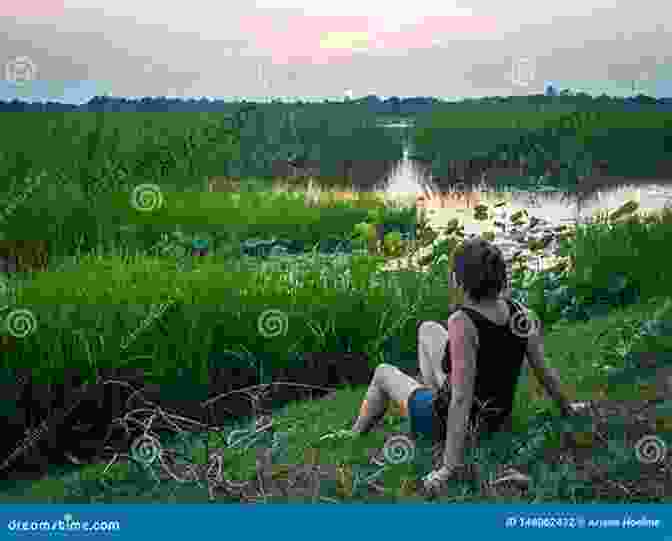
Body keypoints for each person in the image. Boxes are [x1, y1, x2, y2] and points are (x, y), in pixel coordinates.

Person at [350, 237, 576, 493]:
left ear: (459, 281)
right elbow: (544, 371)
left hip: (447, 421)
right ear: (500, 276)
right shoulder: (523, 314)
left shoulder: (462, 323)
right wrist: (568, 409)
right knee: (428, 329)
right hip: (496, 418)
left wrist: (448, 467)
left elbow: (460, 399)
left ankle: (355, 433)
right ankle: (432, 393)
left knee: (382, 372)